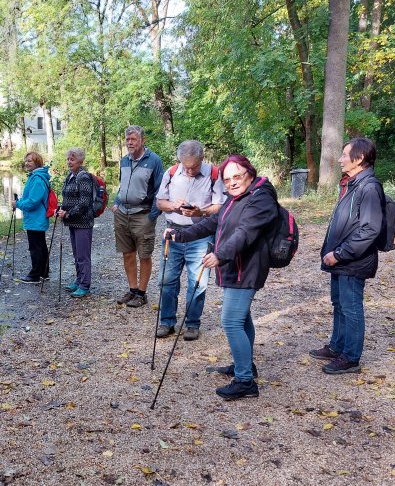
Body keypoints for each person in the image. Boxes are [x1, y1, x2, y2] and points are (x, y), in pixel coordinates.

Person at [166, 154, 278, 400]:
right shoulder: (236, 198)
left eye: (237, 177)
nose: (232, 183)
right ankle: (245, 365)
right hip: (235, 266)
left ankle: (245, 381)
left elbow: (245, 233)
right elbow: (212, 222)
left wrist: (220, 255)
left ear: (250, 173)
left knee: (230, 321)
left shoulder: (260, 199)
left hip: (247, 267)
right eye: (227, 180)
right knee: (241, 317)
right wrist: (180, 235)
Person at [310, 137, 385, 374]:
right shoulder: (352, 184)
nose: (340, 159)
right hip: (340, 258)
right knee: (339, 304)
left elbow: (370, 229)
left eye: (345, 154)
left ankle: (350, 357)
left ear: (359, 158)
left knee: (351, 308)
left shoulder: (369, 187)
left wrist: (341, 253)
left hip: (352, 260)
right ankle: (337, 346)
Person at [155, 140, 225, 341]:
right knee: (167, 281)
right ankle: (166, 322)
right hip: (174, 232)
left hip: (201, 234)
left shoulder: (213, 173)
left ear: (202, 158)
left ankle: (192, 324)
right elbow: (160, 202)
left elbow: (220, 206)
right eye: (185, 166)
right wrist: (172, 206)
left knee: (198, 282)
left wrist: (200, 211)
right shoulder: (171, 172)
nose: (189, 170)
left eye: (193, 167)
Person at [111, 125, 164, 308]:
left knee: (144, 255)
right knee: (127, 253)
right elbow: (122, 185)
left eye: (133, 139)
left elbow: (160, 190)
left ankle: (142, 293)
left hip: (143, 214)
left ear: (142, 140)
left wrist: (152, 215)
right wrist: (117, 202)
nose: (130, 143)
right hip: (122, 213)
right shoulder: (124, 160)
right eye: (127, 139)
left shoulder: (154, 160)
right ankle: (132, 290)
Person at [58, 148, 94, 298]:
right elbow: (68, 198)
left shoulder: (83, 177)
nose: (69, 162)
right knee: (76, 253)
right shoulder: (70, 176)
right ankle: (78, 280)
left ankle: (85, 285)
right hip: (73, 222)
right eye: (68, 159)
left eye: (72, 159)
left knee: (83, 255)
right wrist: (60, 209)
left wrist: (68, 213)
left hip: (83, 222)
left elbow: (84, 203)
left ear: (80, 161)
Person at [12, 151, 51, 284]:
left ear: (37, 163)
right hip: (37, 218)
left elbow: (33, 202)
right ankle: (44, 273)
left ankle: (35, 275)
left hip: (36, 218)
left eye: (30, 161)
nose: (27, 163)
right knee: (40, 245)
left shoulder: (37, 179)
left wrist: (17, 204)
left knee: (35, 247)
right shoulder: (35, 177)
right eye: (26, 160)